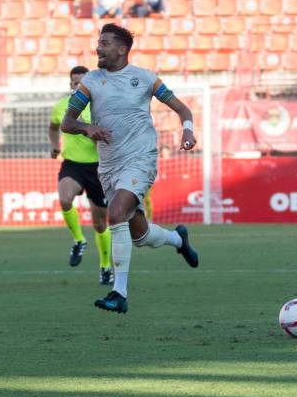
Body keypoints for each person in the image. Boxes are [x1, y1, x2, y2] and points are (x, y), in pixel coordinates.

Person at [61, 23, 199, 314]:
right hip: (109, 167)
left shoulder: (145, 79)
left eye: (105, 43)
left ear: (122, 49)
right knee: (140, 236)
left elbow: (183, 110)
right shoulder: (91, 83)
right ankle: (178, 239)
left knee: (114, 214)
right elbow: (67, 122)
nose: (98, 48)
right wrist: (88, 128)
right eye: (98, 43)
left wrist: (187, 130)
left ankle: (119, 293)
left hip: (140, 160)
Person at [48, 66, 112, 285]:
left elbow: (109, 138)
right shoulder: (61, 107)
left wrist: (96, 136)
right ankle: (78, 240)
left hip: (98, 168)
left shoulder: (101, 107)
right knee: (64, 199)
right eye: (75, 82)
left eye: (82, 82)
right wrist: (55, 146)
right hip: (72, 165)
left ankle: (105, 266)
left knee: (100, 224)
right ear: (70, 85)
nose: (78, 86)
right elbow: (53, 126)